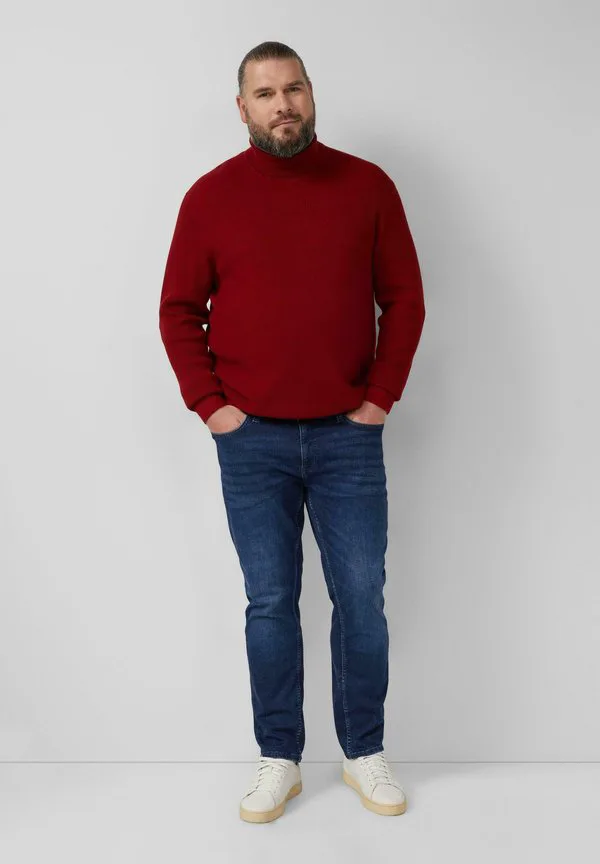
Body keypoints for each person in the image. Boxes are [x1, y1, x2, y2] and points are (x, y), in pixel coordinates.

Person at [159, 40, 426, 823]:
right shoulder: (210, 197)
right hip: (252, 441)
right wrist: (212, 407)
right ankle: (280, 757)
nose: (284, 105)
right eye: (266, 93)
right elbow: (179, 310)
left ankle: (363, 752)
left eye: (295, 88)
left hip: (349, 437)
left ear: (312, 94)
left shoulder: (367, 186)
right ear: (243, 107)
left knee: (361, 597)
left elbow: (405, 299)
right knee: (270, 602)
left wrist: (379, 397)